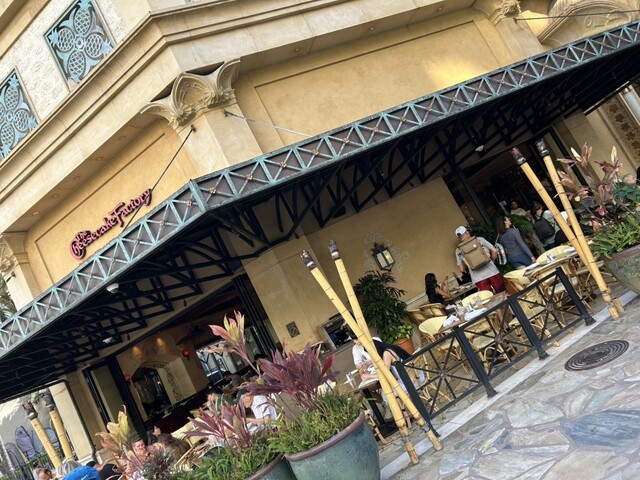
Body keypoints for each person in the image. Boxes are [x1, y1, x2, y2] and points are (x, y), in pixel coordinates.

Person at [455, 226, 505, 293]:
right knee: (503, 293)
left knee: (488, 298)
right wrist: (492, 261)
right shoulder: (479, 239)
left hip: (478, 278)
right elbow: (494, 250)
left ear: (459, 237)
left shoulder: (458, 250)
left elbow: (462, 269)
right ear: (467, 232)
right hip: (492, 272)